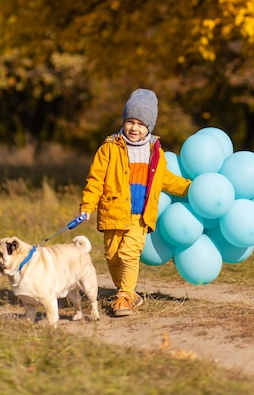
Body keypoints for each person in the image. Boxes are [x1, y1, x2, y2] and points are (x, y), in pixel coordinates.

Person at [79, 88, 191, 317]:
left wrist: (191, 188)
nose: (134, 128)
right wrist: (87, 206)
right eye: (130, 122)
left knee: (129, 254)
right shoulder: (109, 148)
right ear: (124, 121)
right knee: (112, 256)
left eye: (141, 124)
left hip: (138, 216)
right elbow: (95, 179)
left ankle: (125, 297)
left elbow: (165, 179)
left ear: (149, 127)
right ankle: (129, 292)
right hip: (113, 212)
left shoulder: (155, 153)